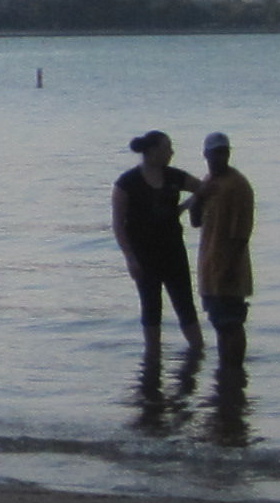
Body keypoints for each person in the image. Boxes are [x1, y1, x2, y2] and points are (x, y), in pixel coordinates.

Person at [110, 131, 202, 349]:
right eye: (167, 148)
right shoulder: (127, 183)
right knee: (151, 307)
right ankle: (153, 356)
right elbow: (117, 224)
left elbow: (204, 188)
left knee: (185, 305)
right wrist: (130, 258)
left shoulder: (173, 176)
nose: (171, 152)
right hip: (144, 256)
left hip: (173, 251)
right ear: (152, 151)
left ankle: (197, 351)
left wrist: (183, 208)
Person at [192, 132, 256, 367]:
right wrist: (198, 196)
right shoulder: (209, 182)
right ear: (206, 155)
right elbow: (196, 221)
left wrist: (229, 267)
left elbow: (241, 234)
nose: (219, 157)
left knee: (232, 322)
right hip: (209, 268)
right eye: (214, 153)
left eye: (223, 152)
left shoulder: (238, 186)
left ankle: (235, 369)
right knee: (219, 322)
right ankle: (226, 369)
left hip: (230, 267)